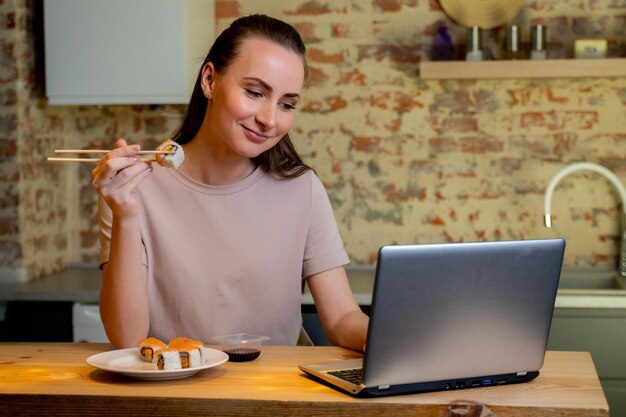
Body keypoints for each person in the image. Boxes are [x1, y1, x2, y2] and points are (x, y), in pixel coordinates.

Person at [91, 14, 369, 351]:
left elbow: (342, 320)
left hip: (278, 390)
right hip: (178, 390)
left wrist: (393, 337)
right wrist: (125, 215)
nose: (269, 119)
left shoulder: (303, 189)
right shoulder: (133, 188)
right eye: (254, 92)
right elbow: (127, 339)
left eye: (286, 104)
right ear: (209, 80)